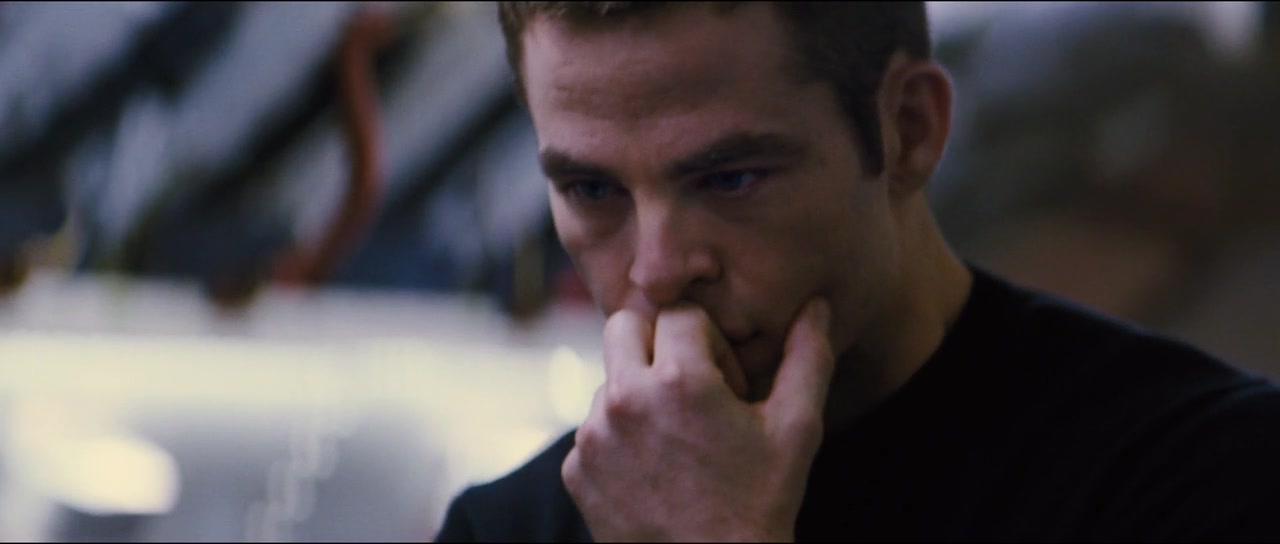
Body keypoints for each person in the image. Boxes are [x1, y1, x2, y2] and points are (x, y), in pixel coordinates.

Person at [436, 2, 1280, 541]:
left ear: (909, 130)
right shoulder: (509, 527)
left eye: (730, 179)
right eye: (591, 190)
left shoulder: (1205, 477)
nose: (657, 272)